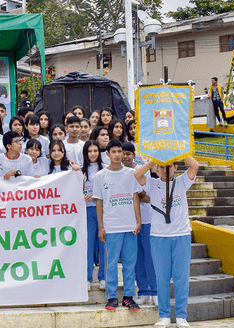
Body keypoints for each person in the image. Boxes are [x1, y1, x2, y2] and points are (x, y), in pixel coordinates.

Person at [134, 156, 199, 328]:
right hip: (159, 237)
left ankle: (181, 316)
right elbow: (138, 174)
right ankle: (163, 315)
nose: (165, 170)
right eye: (162, 167)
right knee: (161, 278)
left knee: (181, 278)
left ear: (175, 167)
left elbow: (195, 166)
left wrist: (180, 152)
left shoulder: (182, 182)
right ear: (157, 169)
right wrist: (153, 161)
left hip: (181, 235)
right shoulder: (152, 184)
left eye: (169, 166)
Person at [93, 140, 142, 312]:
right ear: (107, 154)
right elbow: (99, 202)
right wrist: (101, 226)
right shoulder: (100, 176)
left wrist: (138, 220)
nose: (117, 155)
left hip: (129, 225)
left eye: (119, 151)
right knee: (111, 263)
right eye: (113, 152)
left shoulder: (131, 173)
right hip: (111, 226)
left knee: (130, 263)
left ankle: (129, 296)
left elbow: (135, 197)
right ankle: (111, 296)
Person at [121, 142, 156, 306]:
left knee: (149, 255)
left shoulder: (143, 171)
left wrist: (138, 194)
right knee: (136, 258)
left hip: (147, 218)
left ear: (134, 155)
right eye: (123, 153)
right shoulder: (116, 172)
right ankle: (143, 291)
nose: (125, 157)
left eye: (129, 154)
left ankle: (155, 291)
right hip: (128, 221)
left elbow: (149, 196)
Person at [82, 140, 105, 292]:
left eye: (95, 151)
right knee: (88, 245)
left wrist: (96, 196)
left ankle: (103, 277)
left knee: (104, 245)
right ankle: (88, 278)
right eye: (90, 151)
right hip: (88, 211)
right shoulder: (81, 171)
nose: (92, 154)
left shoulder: (105, 170)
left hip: (103, 211)